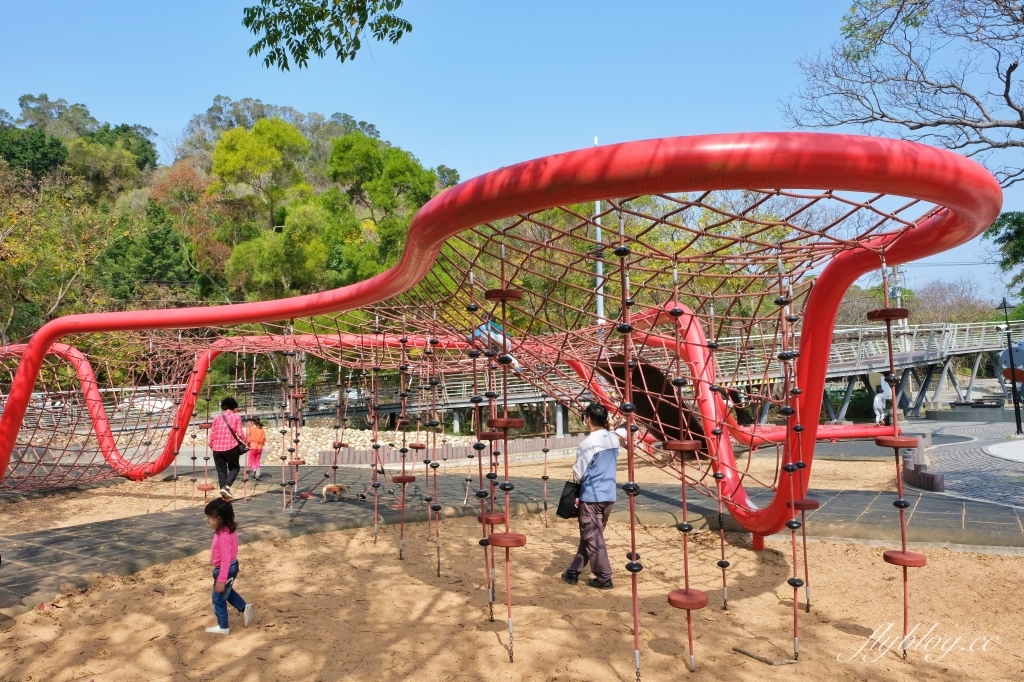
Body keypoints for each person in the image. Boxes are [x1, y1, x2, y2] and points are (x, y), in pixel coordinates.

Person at [561, 402, 623, 590]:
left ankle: (604, 577)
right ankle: (573, 571)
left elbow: (579, 473)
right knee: (591, 536)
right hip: (609, 496)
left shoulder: (587, 443)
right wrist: (611, 427)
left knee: (592, 537)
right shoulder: (613, 439)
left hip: (591, 497)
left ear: (588, 419)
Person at [205, 499, 255, 634]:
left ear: (219, 519)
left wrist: (221, 579)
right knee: (227, 591)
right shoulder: (227, 530)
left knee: (218, 599)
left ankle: (223, 627)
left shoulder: (224, 537)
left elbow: (226, 560)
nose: (209, 521)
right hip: (231, 566)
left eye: (211, 518)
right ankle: (244, 607)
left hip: (225, 569)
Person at [209, 397, 246, 500]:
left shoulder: (217, 418)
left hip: (217, 449)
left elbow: (212, 434)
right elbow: (240, 433)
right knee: (235, 468)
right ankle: (227, 486)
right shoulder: (236, 417)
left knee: (221, 473)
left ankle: (224, 498)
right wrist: (248, 441)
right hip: (230, 447)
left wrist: (212, 445)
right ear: (234, 407)